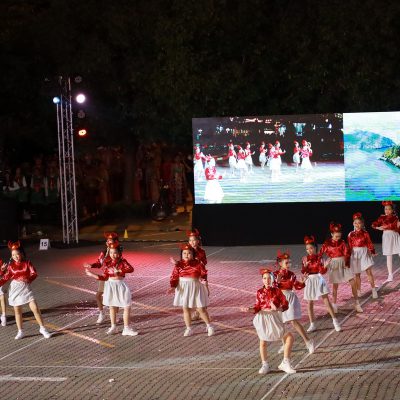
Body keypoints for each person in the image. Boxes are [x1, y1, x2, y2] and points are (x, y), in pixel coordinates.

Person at [241, 268, 296, 374]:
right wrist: (249, 309)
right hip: (263, 317)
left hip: (274, 317)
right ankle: (265, 365)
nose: (267, 280)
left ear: (272, 279)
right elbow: (257, 307)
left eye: (269, 278)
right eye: (265, 278)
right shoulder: (259, 292)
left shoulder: (277, 291)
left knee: (289, 337)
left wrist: (277, 308)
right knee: (263, 341)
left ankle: (285, 362)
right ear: (262, 280)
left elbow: (286, 305)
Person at [0, 241, 51, 340]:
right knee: (17, 311)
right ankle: (20, 331)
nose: (15, 256)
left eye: (17, 254)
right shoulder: (10, 266)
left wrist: (28, 279)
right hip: (15, 289)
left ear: (21, 254)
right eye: (13, 255)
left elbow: (34, 273)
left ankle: (42, 328)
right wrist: (2, 271)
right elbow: (5, 278)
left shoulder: (27, 263)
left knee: (35, 308)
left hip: (26, 288)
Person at [85, 241, 138, 336]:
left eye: (115, 252)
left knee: (127, 306)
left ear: (119, 253)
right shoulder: (107, 264)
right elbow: (104, 277)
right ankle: (113, 327)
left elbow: (131, 269)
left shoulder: (123, 262)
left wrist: (120, 270)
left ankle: (126, 328)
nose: (113, 255)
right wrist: (92, 274)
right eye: (111, 253)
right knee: (112, 306)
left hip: (121, 285)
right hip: (110, 285)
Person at [167, 244, 214, 337]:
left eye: (189, 253)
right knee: (185, 309)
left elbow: (203, 274)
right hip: (183, 288)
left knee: (201, 309)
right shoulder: (178, 265)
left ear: (193, 254)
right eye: (184, 253)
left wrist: (204, 280)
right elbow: (174, 276)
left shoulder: (198, 263)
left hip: (195, 287)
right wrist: (173, 287)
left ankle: (209, 326)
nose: (186, 255)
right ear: (181, 254)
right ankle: (188, 328)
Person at [273, 251, 315, 354]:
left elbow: (296, 286)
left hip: (290, 298)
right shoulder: (275, 275)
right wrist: (277, 281)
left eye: (289, 262)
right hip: (280, 299)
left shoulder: (291, 274)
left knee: (293, 321)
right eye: (286, 263)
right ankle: (284, 344)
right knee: (281, 323)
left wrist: (303, 282)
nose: (289, 264)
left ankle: (308, 342)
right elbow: (272, 289)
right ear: (280, 263)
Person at [319, 223, 362, 313]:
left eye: (339, 236)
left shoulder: (342, 242)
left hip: (343, 263)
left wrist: (347, 262)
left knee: (352, 282)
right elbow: (319, 254)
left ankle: (357, 303)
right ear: (332, 234)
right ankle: (334, 305)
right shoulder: (327, 243)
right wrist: (322, 264)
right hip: (334, 265)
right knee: (335, 286)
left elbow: (346, 253)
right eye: (336, 236)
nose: (338, 238)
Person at [301, 235, 341, 332]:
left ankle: (335, 321)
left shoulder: (319, 258)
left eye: (311, 248)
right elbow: (304, 272)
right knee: (310, 303)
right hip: (309, 280)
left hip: (318, 279)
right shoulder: (305, 258)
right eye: (307, 249)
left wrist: (325, 266)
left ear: (315, 248)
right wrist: (305, 266)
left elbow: (322, 272)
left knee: (326, 301)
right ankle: (312, 324)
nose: (309, 250)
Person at [84, 232, 119, 324]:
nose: (108, 242)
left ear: (115, 242)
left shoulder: (117, 251)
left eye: (110, 240)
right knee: (98, 295)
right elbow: (99, 263)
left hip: (113, 277)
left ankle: (116, 314)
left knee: (114, 297)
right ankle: (102, 313)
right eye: (107, 240)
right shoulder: (103, 252)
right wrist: (91, 265)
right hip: (104, 276)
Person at [348, 213, 378, 299]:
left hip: (364, 253)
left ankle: (373, 290)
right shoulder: (350, 234)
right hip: (355, 254)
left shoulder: (365, 233)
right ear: (353, 223)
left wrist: (372, 251)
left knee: (369, 272)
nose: (357, 225)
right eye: (355, 223)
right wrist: (347, 257)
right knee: (357, 274)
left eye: (359, 223)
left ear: (362, 224)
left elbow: (369, 243)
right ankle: (359, 291)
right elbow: (349, 247)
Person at [372, 201, 400, 282]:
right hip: (387, 237)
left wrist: (385, 227)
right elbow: (375, 224)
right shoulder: (382, 218)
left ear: (392, 210)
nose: (387, 210)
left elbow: (394, 226)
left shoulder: (395, 217)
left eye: (389, 209)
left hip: (395, 236)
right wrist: (377, 227)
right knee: (389, 255)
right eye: (385, 209)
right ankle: (390, 275)